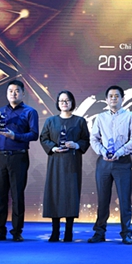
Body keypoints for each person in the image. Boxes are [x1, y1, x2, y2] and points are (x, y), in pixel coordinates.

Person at [88, 85, 132, 245]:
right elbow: (94, 138)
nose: (113, 98)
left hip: (122, 162)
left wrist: (120, 152)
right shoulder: (100, 117)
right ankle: (99, 232)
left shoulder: (130, 116)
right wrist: (102, 151)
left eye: (117, 96)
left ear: (122, 99)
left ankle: (126, 233)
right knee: (102, 199)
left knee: (124, 199)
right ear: (106, 99)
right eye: (110, 96)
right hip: (104, 162)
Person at [0, 79, 39, 242]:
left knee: (17, 195)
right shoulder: (1, 111)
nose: (13, 94)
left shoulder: (30, 112)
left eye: (17, 91)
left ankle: (17, 231)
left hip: (18, 157)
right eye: (10, 91)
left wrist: (14, 136)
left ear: (23, 93)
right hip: (0, 157)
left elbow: (34, 134)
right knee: (0, 195)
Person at [39, 90, 90, 242]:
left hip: (72, 163)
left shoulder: (80, 121)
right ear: (57, 103)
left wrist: (76, 144)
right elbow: (44, 138)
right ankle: (55, 231)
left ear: (72, 102)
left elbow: (86, 140)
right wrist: (53, 148)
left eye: (67, 100)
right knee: (54, 193)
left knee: (70, 195)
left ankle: (69, 232)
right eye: (61, 100)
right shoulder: (51, 121)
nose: (64, 103)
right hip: (55, 162)